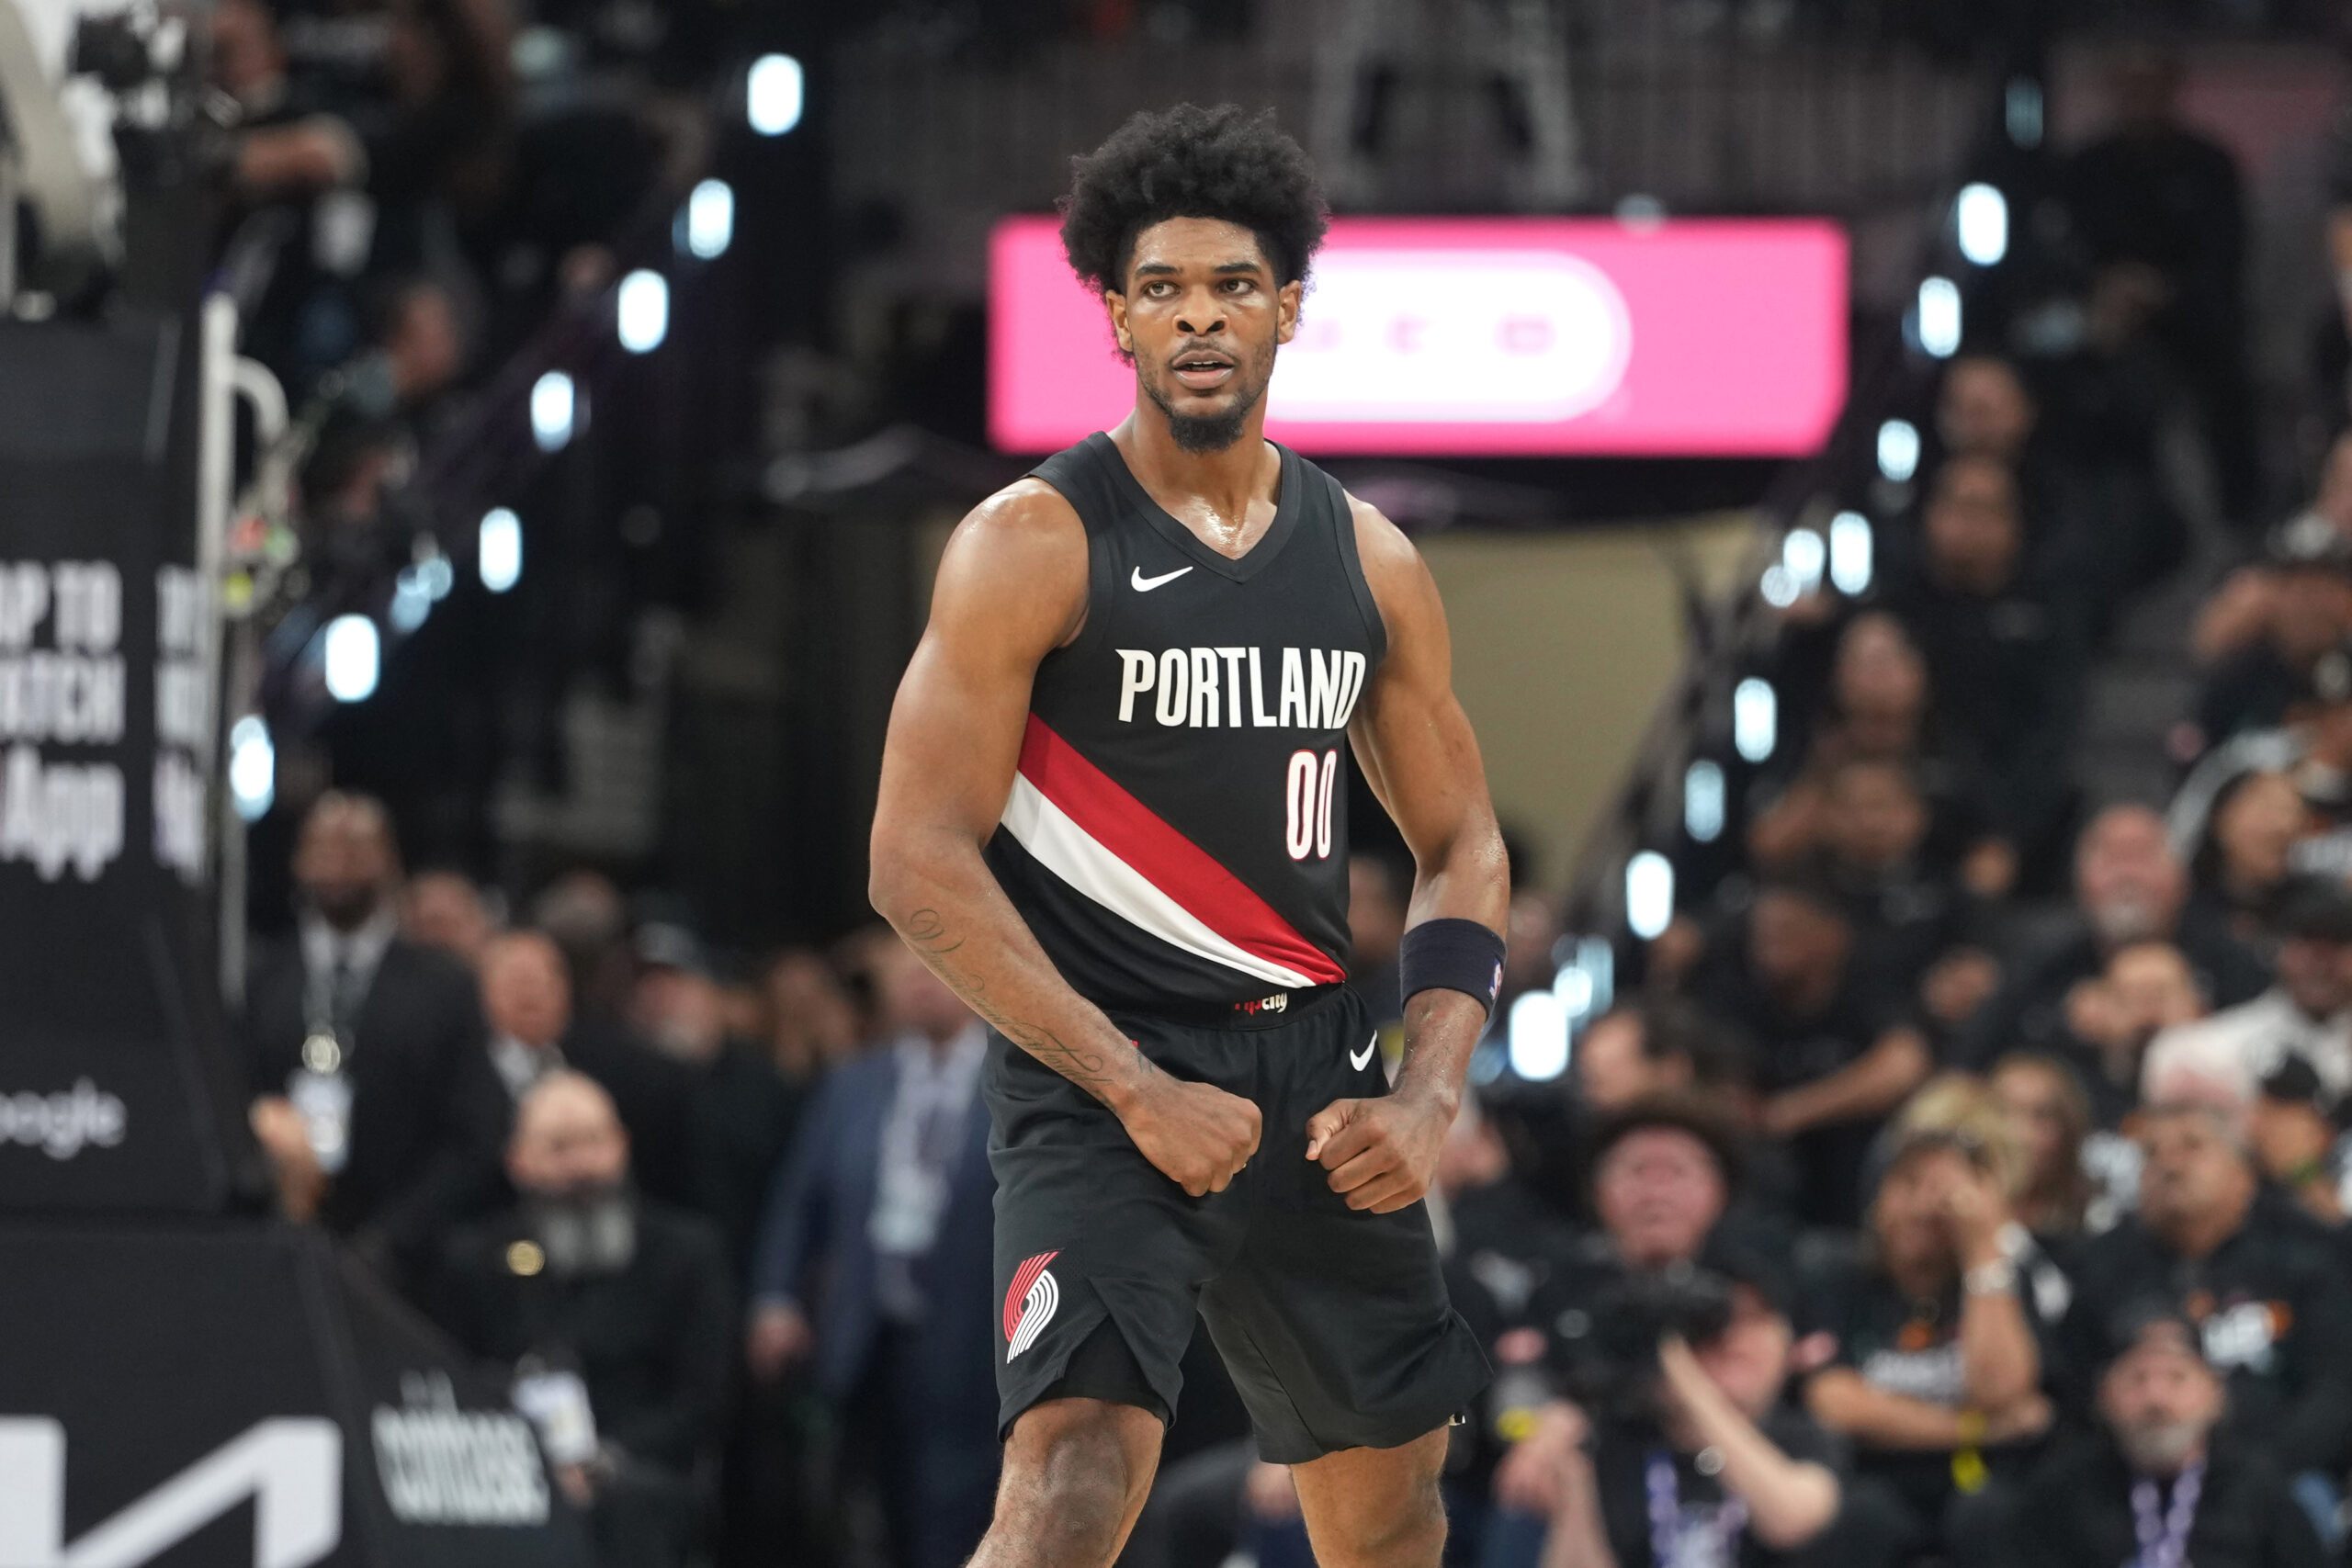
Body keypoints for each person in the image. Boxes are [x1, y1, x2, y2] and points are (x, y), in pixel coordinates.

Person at [865, 103, 1502, 1568]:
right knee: (1075, 1477)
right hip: (1106, 1064)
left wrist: (1427, 1093)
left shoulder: (1368, 557)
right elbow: (913, 856)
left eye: (1231, 285)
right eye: (1162, 288)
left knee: (1395, 1502)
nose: (1199, 316)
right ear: (1116, 315)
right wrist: (1131, 1081)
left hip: (1317, 1063)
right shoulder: (1031, 539)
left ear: (1288, 306)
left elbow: (1463, 841)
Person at [744, 940, 999, 1568]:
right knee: (863, 1509)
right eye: (907, 973)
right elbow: (799, 1200)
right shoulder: (854, 1081)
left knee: (958, 1507)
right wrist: (776, 1296)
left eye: (935, 970)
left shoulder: (1019, 1079)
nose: (920, 984)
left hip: (976, 1335)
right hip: (867, 1329)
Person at [429, 1072, 733, 1568]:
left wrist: (604, 1461)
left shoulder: (684, 1254)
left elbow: (704, 1397)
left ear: (622, 1145)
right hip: (509, 1473)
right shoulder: (476, 1262)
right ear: (517, 1160)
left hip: (640, 1475)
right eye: (558, 1147)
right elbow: (453, 1382)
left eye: (593, 1142)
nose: (580, 1166)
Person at [242, 792, 507, 1281]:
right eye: (323, 847)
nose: (338, 864)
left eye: (356, 848)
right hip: (276, 1242)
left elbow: (475, 1132)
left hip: (407, 1256)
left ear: (390, 862)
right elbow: (233, 1093)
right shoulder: (261, 977)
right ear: (298, 861)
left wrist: (393, 1238)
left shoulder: (444, 986)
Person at [1530, 1241, 1906, 1568]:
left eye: (1755, 1318)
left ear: (1786, 1340)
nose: (1734, 1338)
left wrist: (1686, 1382)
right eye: (1716, 1324)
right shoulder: (1625, 1442)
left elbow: (1792, 1520)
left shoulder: (1802, 1435)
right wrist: (1575, 1479)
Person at [1799, 1125, 2057, 1564]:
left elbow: (1999, 1390)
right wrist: (1979, 1429)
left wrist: (1982, 1253)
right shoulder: (1837, 1276)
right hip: (1871, 1477)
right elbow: (1834, 1403)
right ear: (1877, 1200)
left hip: (1980, 1484)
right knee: (1859, 1517)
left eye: (1946, 1192)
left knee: (1991, 1514)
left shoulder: (2005, 1282)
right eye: (1909, 1184)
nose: (1924, 1207)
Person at [2061, 1101, 2352, 1491]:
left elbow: (2334, 1390)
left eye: (2192, 1146)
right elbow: (2074, 1389)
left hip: (2279, 1477)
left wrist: (2257, 1474)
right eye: (2152, 1153)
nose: (2170, 1165)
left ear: (2243, 1174)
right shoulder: (2101, 1266)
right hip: (2127, 1482)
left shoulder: (2304, 1255)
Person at [1878, 456, 2086, 872]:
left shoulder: (2047, 618)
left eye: (1985, 510)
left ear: (2016, 524)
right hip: (1907, 808)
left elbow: (2050, 737)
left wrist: (2008, 835)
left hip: (2015, 824)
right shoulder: (1893, 612)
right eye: (1956, 505)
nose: (1968, 524)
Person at [1690, 877, 1932, 1227]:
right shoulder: (1735, 994)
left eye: (1786, 931)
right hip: (1766, 1184)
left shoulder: (1869, 988)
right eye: (1761, 934)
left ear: (1833, 934)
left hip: (1855, 1179)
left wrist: (1790, 1112)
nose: (1767, 946)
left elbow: (1903, 1067)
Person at [2012, 1303, 2327, 1568]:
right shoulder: (2062, 1493)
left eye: (2177, 1378)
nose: (2156, 1400)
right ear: (2104, 1396)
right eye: (2137, 1379)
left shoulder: (2260, 1492)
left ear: (2215, 1395)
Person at [1955, 804, 2269, 1069]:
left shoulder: (2232, 961)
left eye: (2143, 856)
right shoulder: (2043, 966)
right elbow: (1973, 1060)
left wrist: (2201, 1032)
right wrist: (2063, 1029)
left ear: (2181, 877)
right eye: (2112, 858)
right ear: (2079, 881)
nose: (2127, 875)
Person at [477, 930, 697, 1211]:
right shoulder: (461, 1078)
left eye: (546, 979)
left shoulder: (615, 1069)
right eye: (517, 980)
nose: (532, 992)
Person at [2143, 877, 2352, 1114]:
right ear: (2276, 949)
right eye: (2307, 947)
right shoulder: (2205, 1049)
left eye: (2337, 947)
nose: (2321, 967)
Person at [1987, 1054, 2096, 1245]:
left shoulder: (2095, 1224)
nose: (2020, 1134)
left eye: (2041, 1116)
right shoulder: (1957, 1220)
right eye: (2003, 1112)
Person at [401, 867, 498, 969]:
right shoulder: (404, 970)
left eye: (454, 925)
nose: (442, 937)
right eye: (433, 926)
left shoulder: (500, 968)